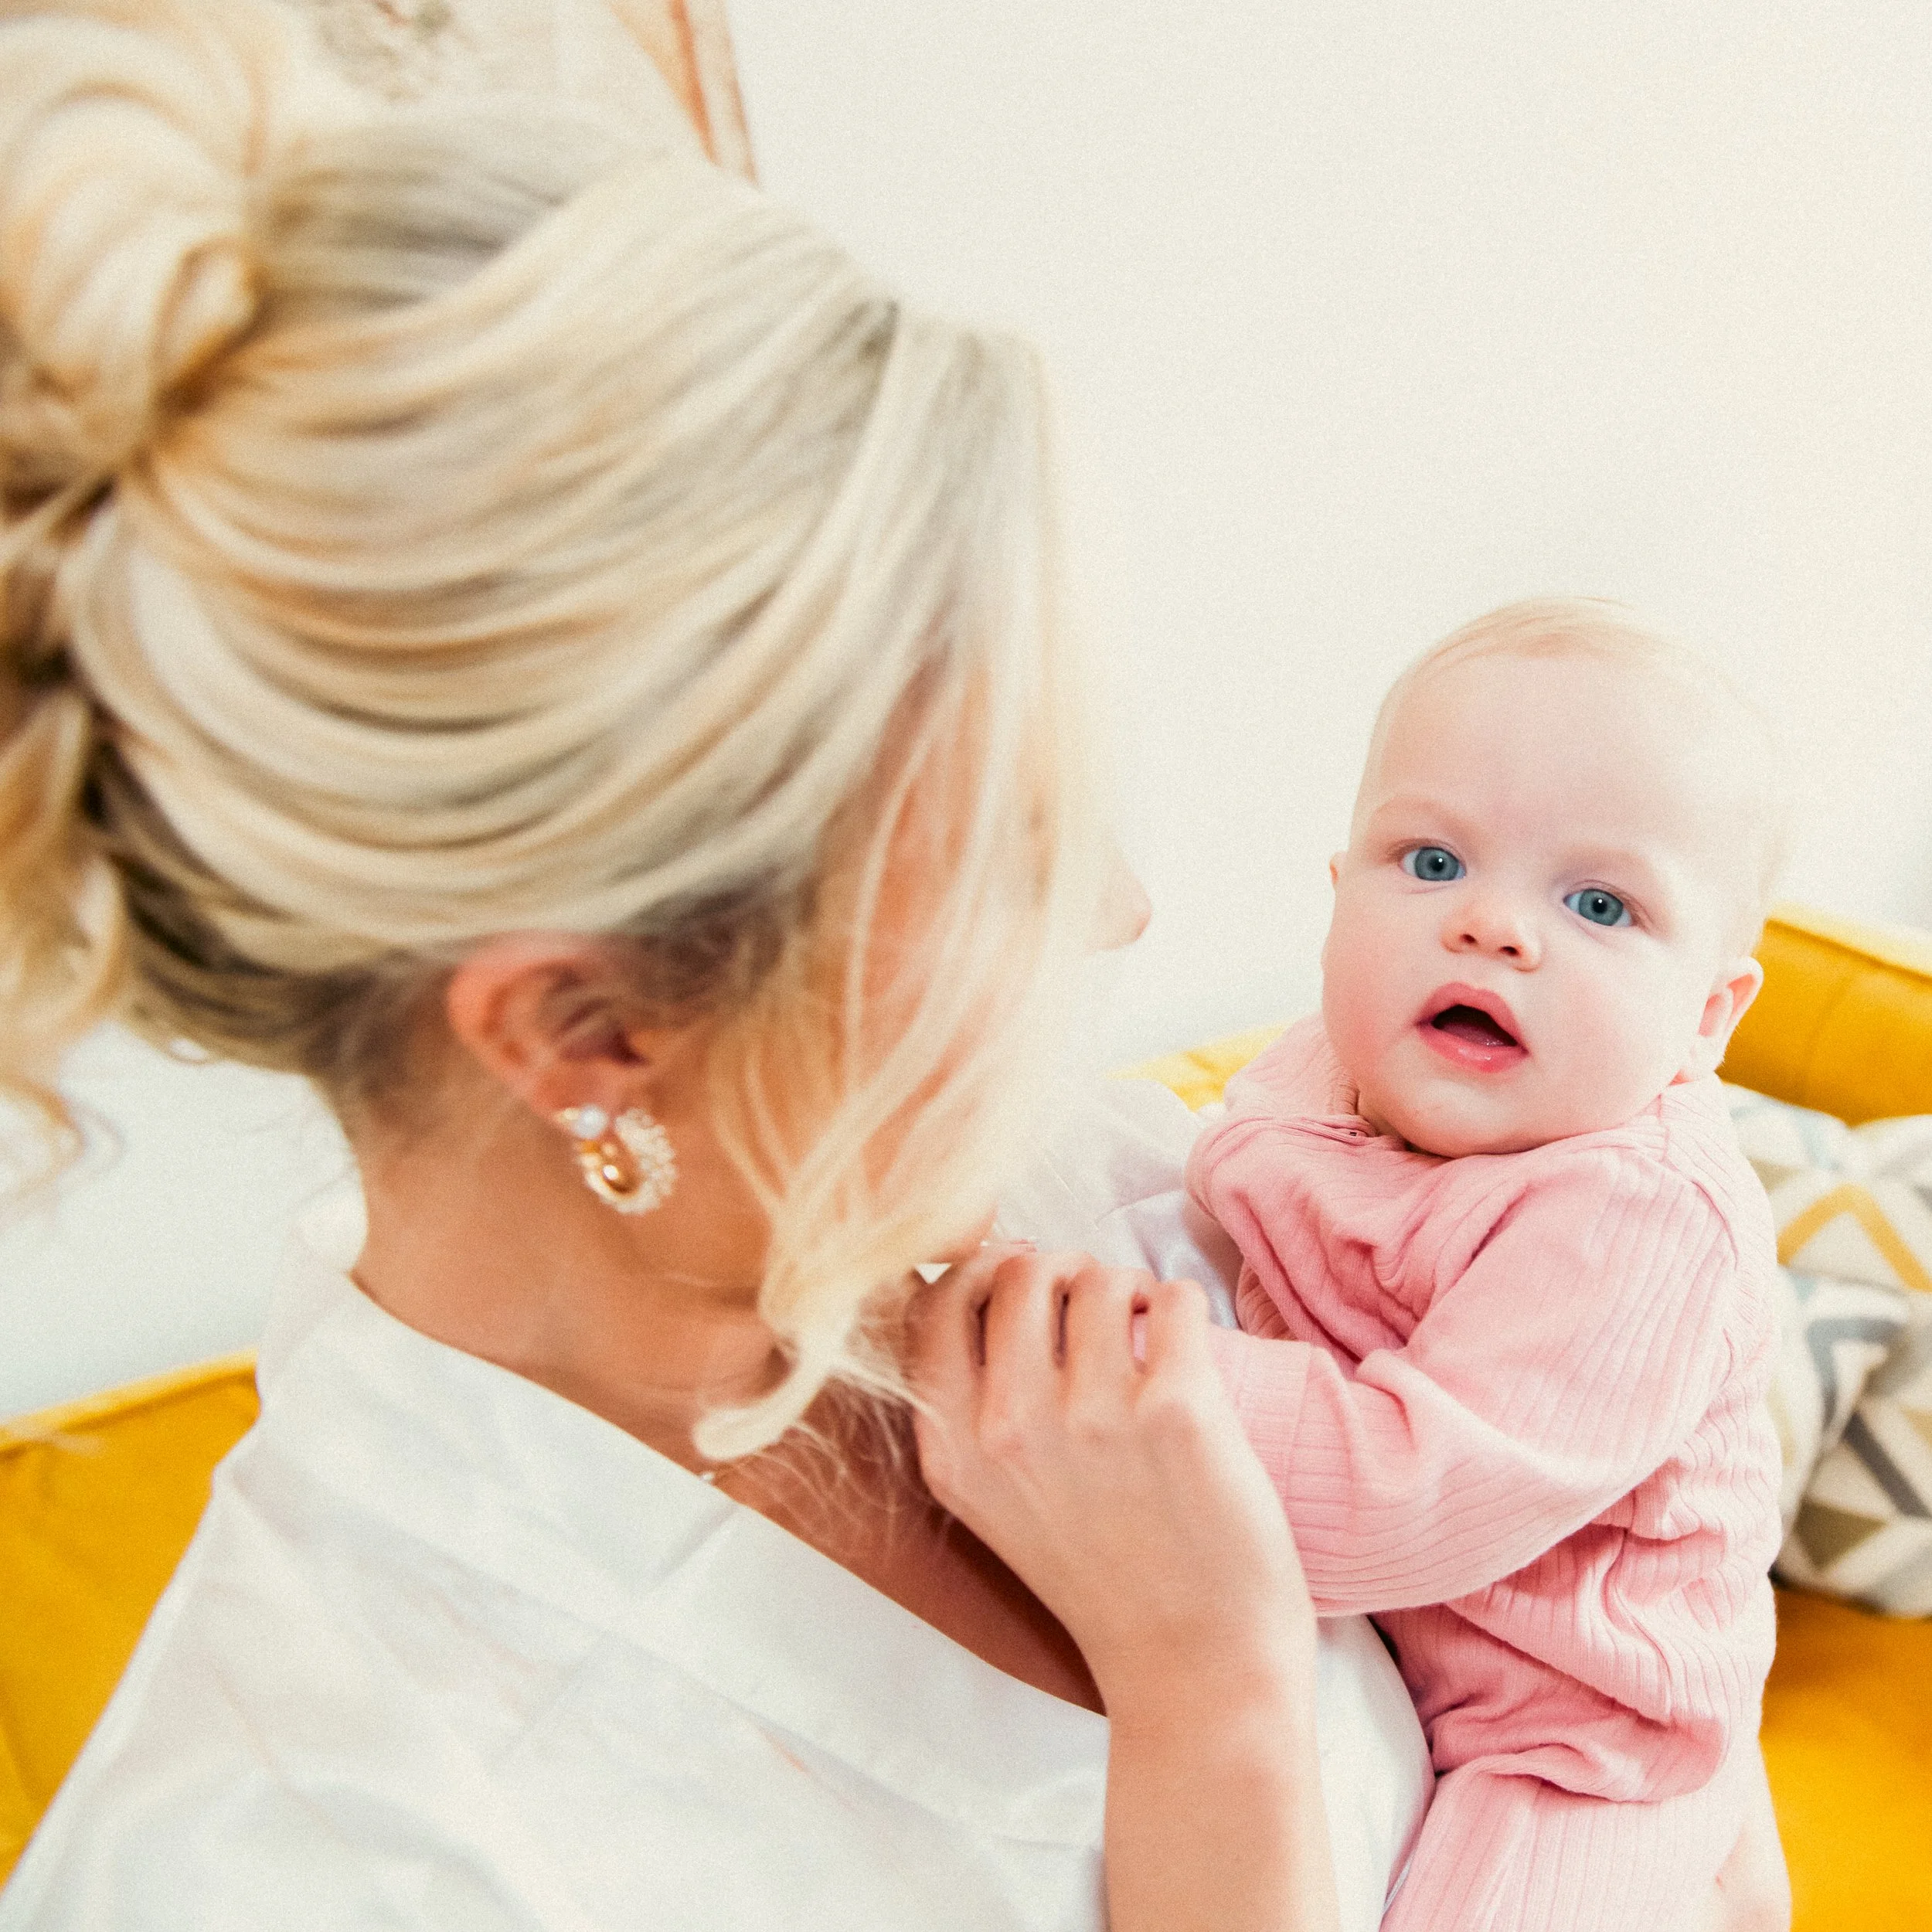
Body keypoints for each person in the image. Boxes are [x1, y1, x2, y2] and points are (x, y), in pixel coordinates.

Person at [0, 2, 1431, 1926]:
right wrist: (1222, 1690)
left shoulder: (1091, 1195)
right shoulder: (312, 1852)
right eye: (1006, 847)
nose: (1118, 911)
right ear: (590, 1030)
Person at [1175, 600, 1788, 1930]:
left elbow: (1398, 1496)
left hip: (1573, 1737)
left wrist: (1140, 1358)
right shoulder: (1325, 1073)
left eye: (1600, 902)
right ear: (1339, 899)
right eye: (1434, 861)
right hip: (1421, 1641)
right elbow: (1226, 1201)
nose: (1496, 928)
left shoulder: (1641, 1219)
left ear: (1708, 1016)